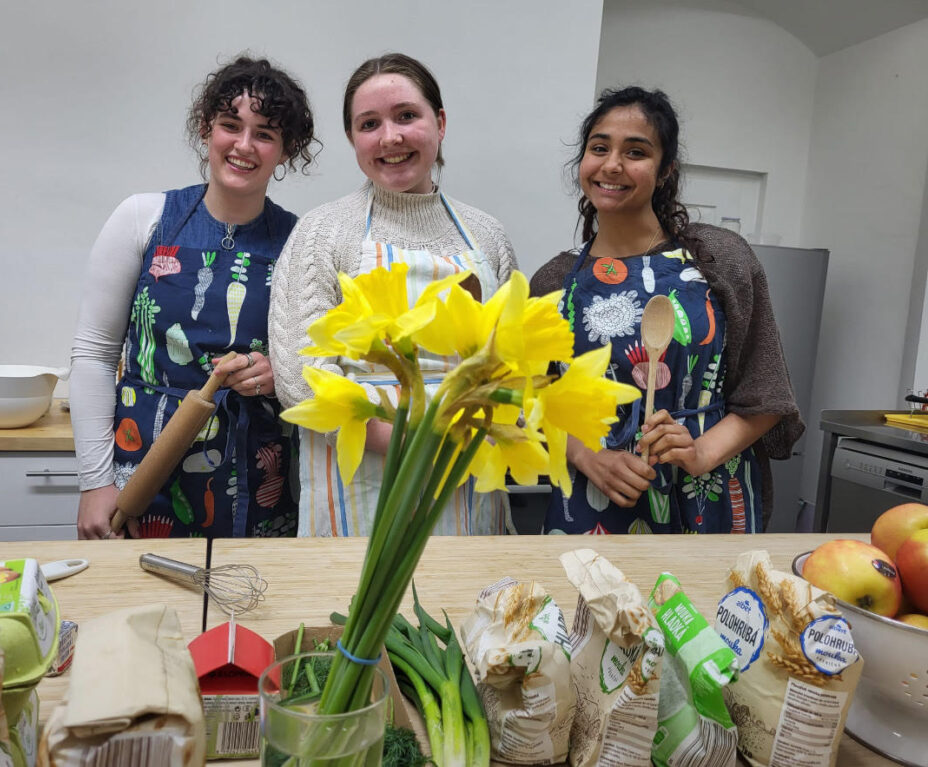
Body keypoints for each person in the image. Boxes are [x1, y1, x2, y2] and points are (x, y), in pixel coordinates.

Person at [529, 86, 803, 535]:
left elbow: (766, 392)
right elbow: (535, 401)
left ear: (665, 171)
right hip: (593, 497)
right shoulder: (552, 281)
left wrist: (700, 452)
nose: (613, 164)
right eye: (600, 148)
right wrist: (586, 455)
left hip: (708, 495)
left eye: (635, 151)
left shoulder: (722, 259)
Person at [269, 53, 517, 537]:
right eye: (369, 124)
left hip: (464, 473)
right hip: (359, 476)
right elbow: (301, 382)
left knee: (461, 608)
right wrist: (414, 441)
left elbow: (510, 357)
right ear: (352, 139)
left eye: (407, 115)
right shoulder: (322, 233)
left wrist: (469, 435)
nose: (391, 137)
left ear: (439, 123)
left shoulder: (487, 235)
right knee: (361, 607)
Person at [71, 55, 317, 539]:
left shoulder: (302, 240)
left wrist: (284, 374)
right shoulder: (144, 218)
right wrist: (94, 482)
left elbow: (322, 364)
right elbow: (95, 355)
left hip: (259, 479)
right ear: (207, 128)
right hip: (143, 473)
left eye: (265, 133)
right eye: (231, 125)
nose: (244, 145)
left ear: (285, 150)